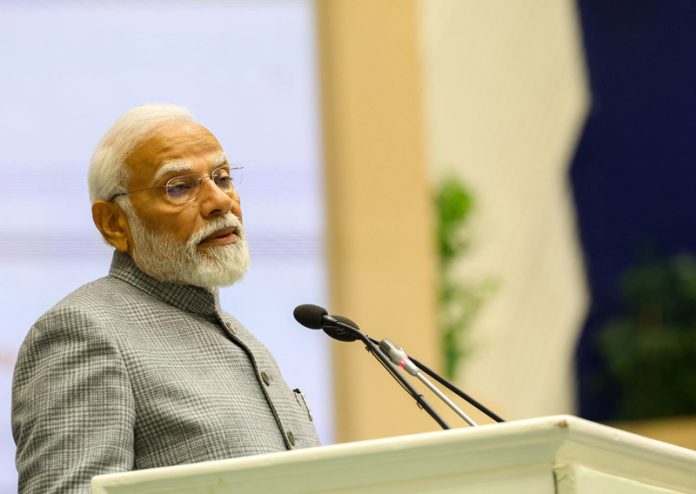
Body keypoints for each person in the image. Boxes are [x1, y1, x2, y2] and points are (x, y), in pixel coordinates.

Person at [11, 104, 320, 493]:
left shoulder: (239, 335)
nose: (219, 202)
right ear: (113, 223)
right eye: (179, 187)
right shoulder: (85, 331)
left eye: (222, 178)